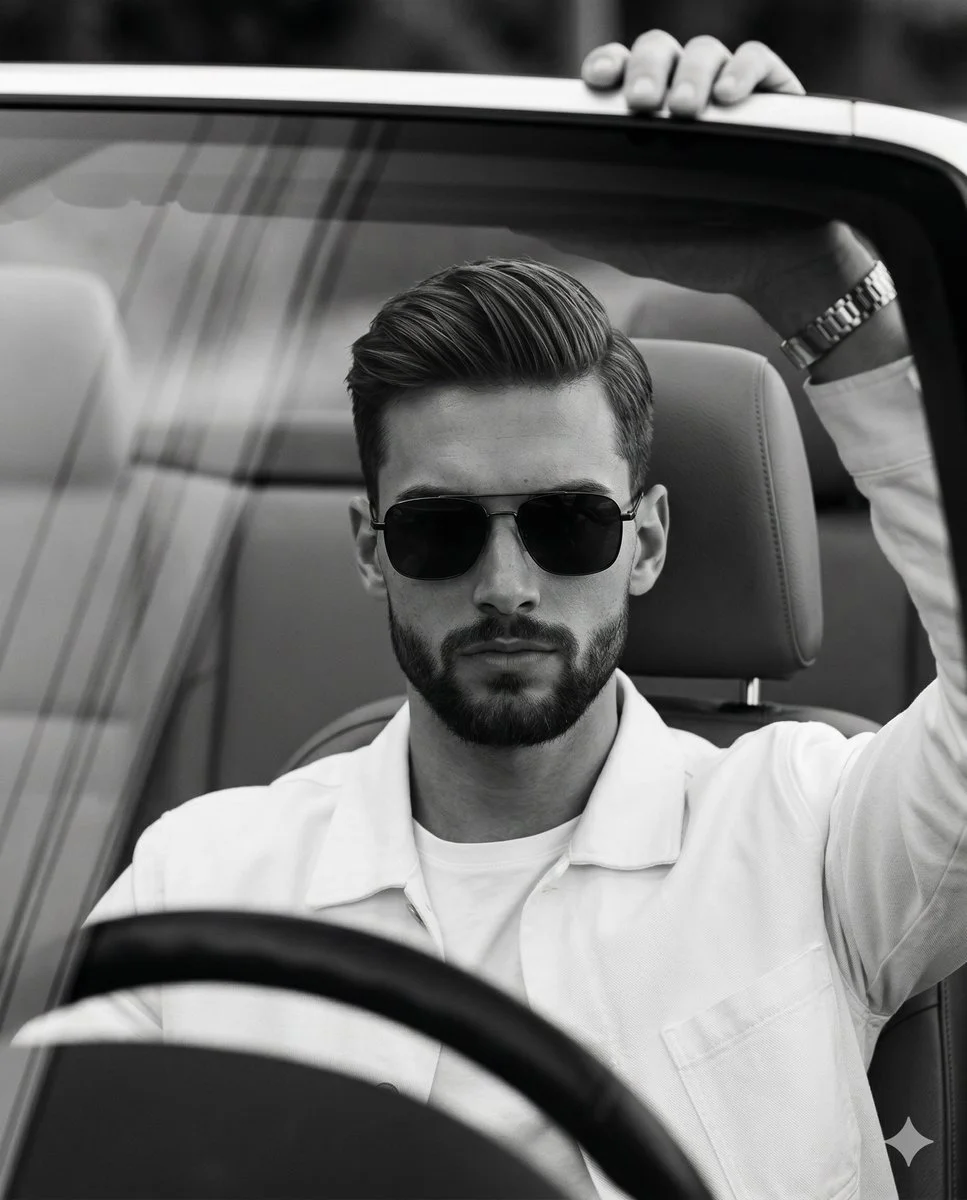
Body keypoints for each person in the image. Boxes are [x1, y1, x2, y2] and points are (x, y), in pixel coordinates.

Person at [14, 30, 967, 1200]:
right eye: (439, 530)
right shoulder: (202, 883)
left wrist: (813, 282)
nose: (506, 582)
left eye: (568, 525)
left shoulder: (816, 832)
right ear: (373, 552)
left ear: (648, 540)